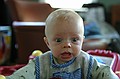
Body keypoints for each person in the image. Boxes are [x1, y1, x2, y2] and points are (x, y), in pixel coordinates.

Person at [4, 9, 119, 79]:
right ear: (48, 43)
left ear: (82, 41)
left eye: (74, 40)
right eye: (59, 40)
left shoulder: (86, 61)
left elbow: (104, 72)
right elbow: (24, 74)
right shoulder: (42, 63)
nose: (67, 45)